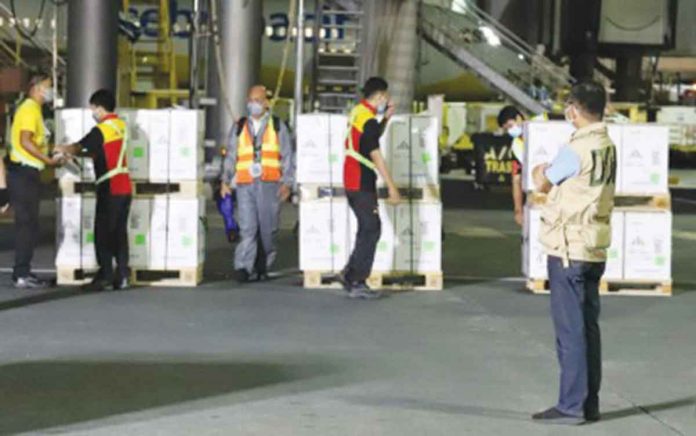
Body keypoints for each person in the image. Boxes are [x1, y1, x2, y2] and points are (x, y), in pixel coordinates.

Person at [531, 81, 616, 425]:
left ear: (575, 109)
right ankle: (588, 403)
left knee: (570, 332)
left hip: (569, 247)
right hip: (594, 244)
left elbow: (542, 182)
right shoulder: (606, 145)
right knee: (588, 329)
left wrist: (539, 168)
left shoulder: (576, 150)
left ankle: (571, 406)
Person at [55, 89, 132, 292]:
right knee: (119, 233)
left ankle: (105, 275)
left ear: (99, 108)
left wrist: (62, 149)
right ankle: (123, 275)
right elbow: (103, 151)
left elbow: (79, 146)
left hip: (110, 187)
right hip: (124, 186)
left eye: (93, 108)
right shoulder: (121, 126)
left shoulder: (102, 129)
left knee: (103, 232)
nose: (92, 112)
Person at [220, 85, 294, 283]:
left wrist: (287, 183)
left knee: (268, 230)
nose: (254, 104)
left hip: (270, 185)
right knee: (248, 228)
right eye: (251, 100)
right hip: (246, 184)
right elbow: (231, 156)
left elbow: (287, 156)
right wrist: (225, 180)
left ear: (266, 103)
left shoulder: (278, 126)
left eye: (258, 100)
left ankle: (262, 265)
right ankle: (243, 267)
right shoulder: (239, 127)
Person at [338, 77, 401, 300]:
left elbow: (368, 139)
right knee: (371, 229)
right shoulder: (368, 120)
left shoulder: (359, 113)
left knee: (366, 228)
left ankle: (351, 273)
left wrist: (385, 120)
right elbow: (375, 153)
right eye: (386, 96)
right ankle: (356, 279)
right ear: (380, 96)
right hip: (361, 181)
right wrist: (392, 187)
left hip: (352, 178)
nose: (388, 99)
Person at [7, 72, 62, 288]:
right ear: (36, 87)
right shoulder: (30, 109)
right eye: (48, 87)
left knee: (28, 224)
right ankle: (21, 273)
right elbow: (25, 140)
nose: (50, 92)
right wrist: (47, 159)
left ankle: (22, 271)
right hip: (24, 173)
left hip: (27, 172)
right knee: (26, 224)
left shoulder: (33, 109)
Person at [497, 106, 548, 226]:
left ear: (519, 118)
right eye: (506, 129)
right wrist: (518, 210)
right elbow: (516, 179)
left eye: (510, 126)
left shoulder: (543, 121)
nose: (510, 131)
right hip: (538, 193)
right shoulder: (516, 147)